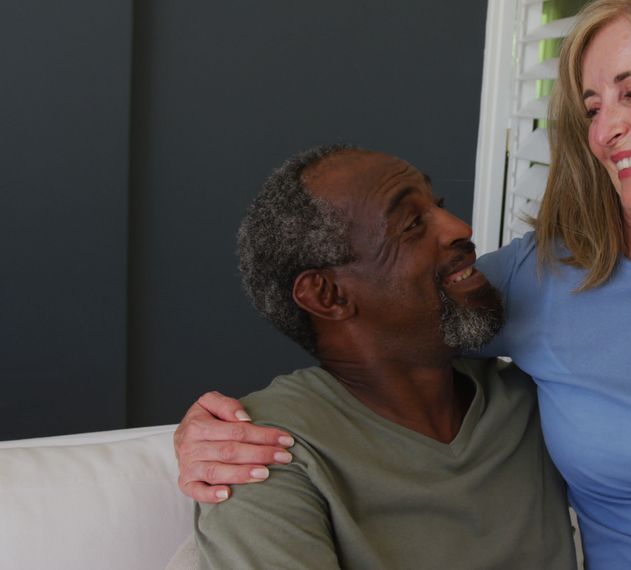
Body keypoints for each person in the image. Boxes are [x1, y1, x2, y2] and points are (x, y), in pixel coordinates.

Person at [175, 0, 631, 568]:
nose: (607, 129)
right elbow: (378, 328)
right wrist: (205, 430)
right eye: (592, 107)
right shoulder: (547, 276)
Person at [190, 145, 576, 569]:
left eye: (439, 206)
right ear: (327, 294)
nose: (458, 227)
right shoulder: (262, 454)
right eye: (412, 224)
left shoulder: (532, 398)